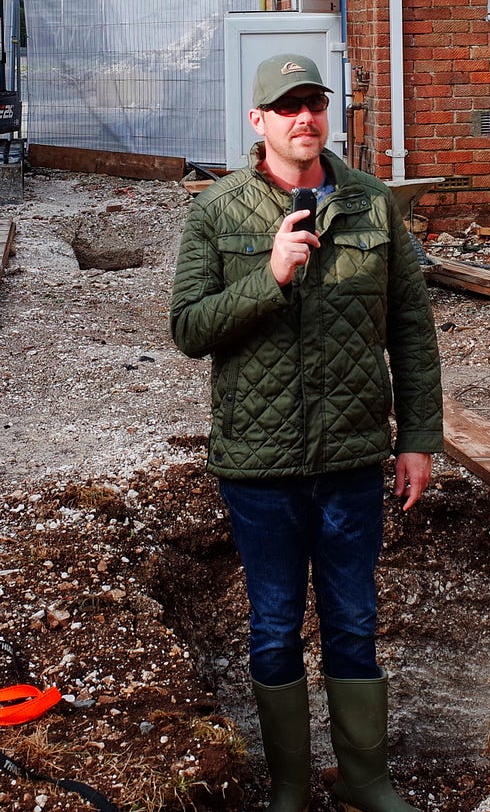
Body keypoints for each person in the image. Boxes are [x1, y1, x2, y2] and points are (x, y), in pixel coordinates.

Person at [170, 53, 443, 812]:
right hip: (259, 467)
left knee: (354, 619)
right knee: (275, 624)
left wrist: (418, 436)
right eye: (287, 106)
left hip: (353, 456)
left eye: (314, 104)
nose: (305, 119)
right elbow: (189, 327)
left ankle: (365, 779)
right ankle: (289, 784)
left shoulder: (371, 203)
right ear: (257, 121)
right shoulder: (218, 212)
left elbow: (412, 331)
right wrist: (270, 276)